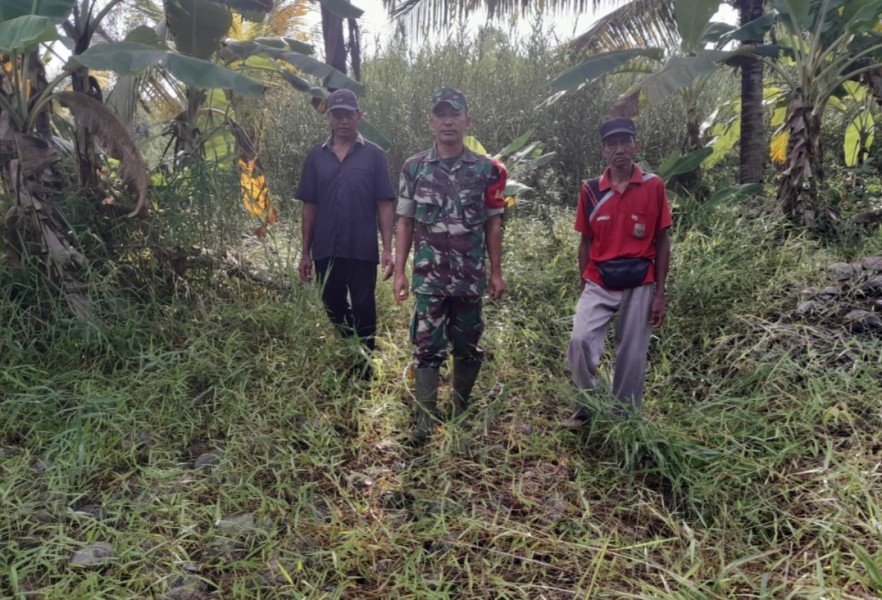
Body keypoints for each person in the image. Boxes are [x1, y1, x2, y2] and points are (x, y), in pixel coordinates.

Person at [393, 87, 507, 444]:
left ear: (466, 121)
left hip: (469, 276)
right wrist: (399, 271)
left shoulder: (487, 170)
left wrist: (496, 272)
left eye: (454, 114)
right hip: (428, 278)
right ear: (431, 123)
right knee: (426, 346)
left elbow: (493, 223)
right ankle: (425, 421)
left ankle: (460, 412)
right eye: (441, 114)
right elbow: (405, 223)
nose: (447, 121)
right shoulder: (414, 168)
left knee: (468, 344)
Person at [566, 117, 672, 423]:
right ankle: (586, 407)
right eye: (612, 144)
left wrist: (660, 294)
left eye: (625, 141)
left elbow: (662, 240)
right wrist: (583, 283)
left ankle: (624, 419)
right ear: (603, 152)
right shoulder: (590, 191)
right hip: (599, 278)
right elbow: (585, 242)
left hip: (640, 280)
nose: (619, 149)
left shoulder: (653, 186)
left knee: (632, 356)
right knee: (580, 341)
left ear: (636, 145)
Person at [297, 89, 396, 378]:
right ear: (329, 117)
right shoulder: (316, 157)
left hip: (361, 246)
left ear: (359, 117)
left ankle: (364, 369)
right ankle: (356, 346)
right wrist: (305, 252)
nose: (343, 120)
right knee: (332, 303)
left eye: (348, 115)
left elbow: (384, 204)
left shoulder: (375, 156)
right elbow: (309, 206)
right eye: (337, 114)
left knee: (365, 305)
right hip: (326, 246)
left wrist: (387, 247)